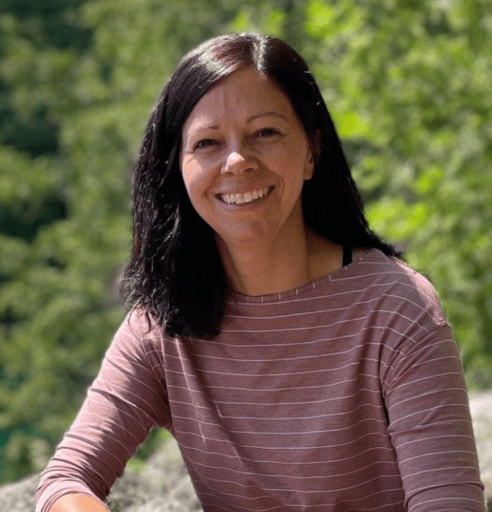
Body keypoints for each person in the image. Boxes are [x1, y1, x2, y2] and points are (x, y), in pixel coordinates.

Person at [35, 33, 485, 512]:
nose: (237, 161)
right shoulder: (163, 324)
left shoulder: (398, 309)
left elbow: (449, 503)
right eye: (207, 143)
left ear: (311, 152)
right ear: (178, 170)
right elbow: (65, 480)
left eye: (265, 133)